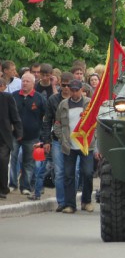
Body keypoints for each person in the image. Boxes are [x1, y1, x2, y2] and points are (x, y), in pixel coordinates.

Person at [54, 79, 94, 213]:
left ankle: (86, 201)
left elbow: (95, 122)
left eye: (77, 90)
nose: (75, 93)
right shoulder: (63, 104)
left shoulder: (89, 103)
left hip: (86, 144)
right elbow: (58, 123)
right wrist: (61, 138)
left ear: (82, 90)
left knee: (88, 173)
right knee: (68, 174)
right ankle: (70, 204)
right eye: (72, 90)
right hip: (69, 145)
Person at [41, 72, 74, 211]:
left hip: (74, 140)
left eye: (68, 85)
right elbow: (47, 121)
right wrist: (46, 140)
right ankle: (61, 201)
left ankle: (71, 201)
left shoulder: (77, 99)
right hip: (57, 139)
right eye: (63, 85)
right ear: (59, 84)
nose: (66, 88)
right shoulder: (53, 100)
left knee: (73, 172)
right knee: (59, 172)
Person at [10, 72, 46, 196]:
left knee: (29, 162)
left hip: (32, 136)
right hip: (14, 135)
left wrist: (42, 134)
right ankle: (12, 184)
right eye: (23, 81)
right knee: (12, 159)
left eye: (27, 81)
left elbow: (45, 116)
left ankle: (25, 186)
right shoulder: (13, 96)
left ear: (33, 83)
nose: (24, 83)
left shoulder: (39, 98)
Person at [0, 78, 22, 198]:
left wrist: (19, 133)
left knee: (3, 161)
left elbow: (14, 115)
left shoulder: (7, 98)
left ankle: (3, 189)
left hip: (4, 136)